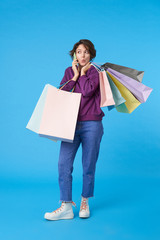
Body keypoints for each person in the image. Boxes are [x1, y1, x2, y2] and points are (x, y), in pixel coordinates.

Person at [44, 39, 105, 221]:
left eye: (86, 52)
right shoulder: (69, 71)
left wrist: (84, 73)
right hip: (69, 124)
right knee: (63, 164)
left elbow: (87, 91)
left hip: (92, 124)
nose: (83, 55)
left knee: (88, 165)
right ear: (74, 55)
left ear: (91, 54)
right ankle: (66, 206)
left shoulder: (96, 72)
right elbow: (62, 92)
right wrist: (74, 76)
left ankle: (85, 200)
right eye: (79, 52)